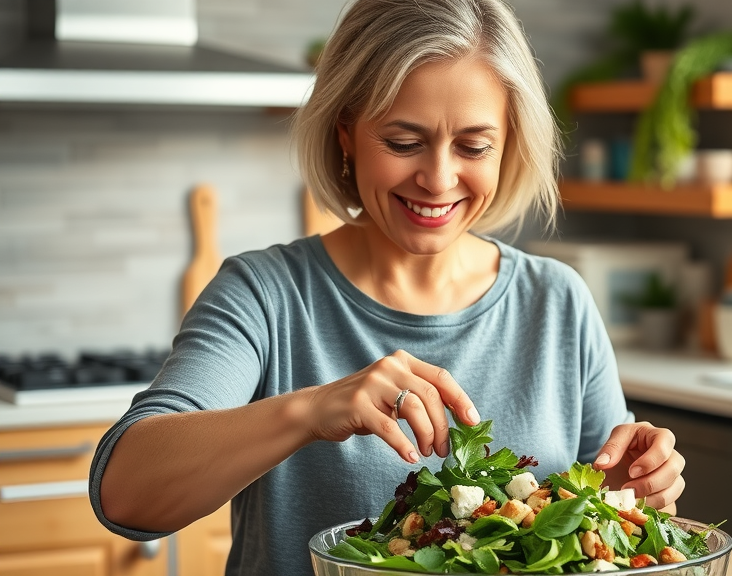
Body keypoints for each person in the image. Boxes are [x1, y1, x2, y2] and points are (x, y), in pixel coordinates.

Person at [89, 1, 687, 574]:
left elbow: (609, 528)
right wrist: (310, 409)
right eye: (403, 143)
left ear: (509, 144)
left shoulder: (559, 302)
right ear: (346, 133)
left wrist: (634, 488)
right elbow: (125, 493)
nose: (439, 178)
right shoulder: (265, 296)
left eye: (474, 146)